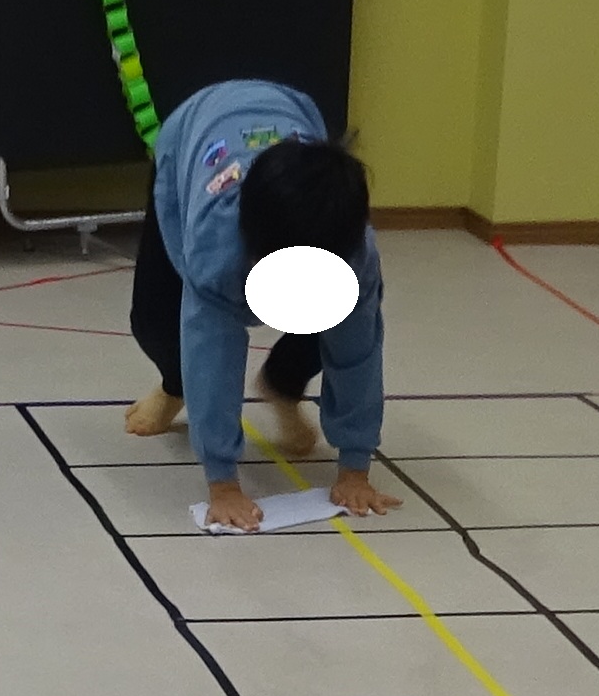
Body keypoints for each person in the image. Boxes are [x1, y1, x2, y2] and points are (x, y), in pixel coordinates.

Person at [118, 86, 401, 540]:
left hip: (292, 109)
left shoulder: (355, 256)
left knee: (334, 312)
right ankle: (173, 385)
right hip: (189, 135)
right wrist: (223, 483)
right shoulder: (217, 245)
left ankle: (283, 382)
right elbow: (213, 359)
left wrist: (355, 468)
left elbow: (357, 356)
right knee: (157, 320)